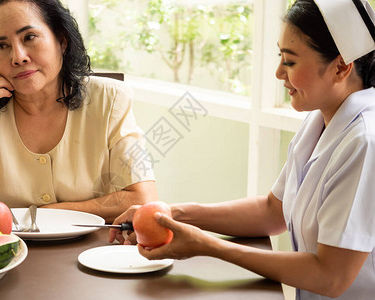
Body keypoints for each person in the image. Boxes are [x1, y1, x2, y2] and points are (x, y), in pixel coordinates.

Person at [110, 0, 375, 298]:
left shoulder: (364, 142)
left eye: (289, 61)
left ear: (341, 67)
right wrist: (169, 214)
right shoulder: (319, 120)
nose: (278, 72)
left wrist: (206, 245)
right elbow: (272, 211)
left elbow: (331, 277)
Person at [0, 0, 157, 223]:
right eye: (2, 45)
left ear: (61, 41)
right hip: (11, 256)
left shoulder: (110, 98)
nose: (18, 57)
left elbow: (141, 198)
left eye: (30, 37)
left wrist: (48, 214)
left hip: (97, 255)